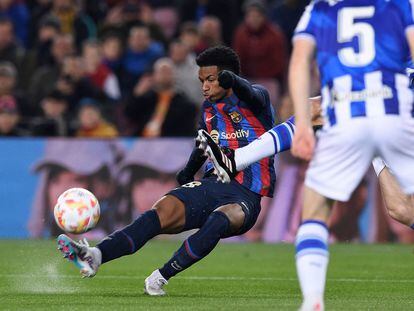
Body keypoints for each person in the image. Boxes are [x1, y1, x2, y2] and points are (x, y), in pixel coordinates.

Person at [56, 46, 276, 296]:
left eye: (211, 80)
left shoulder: (257, 100)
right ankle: (95, 256)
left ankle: (161, 276)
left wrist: (234, 81)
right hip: (212, 184)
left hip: (246, 194)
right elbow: (203, 143)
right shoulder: (207, 109)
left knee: (219, 219)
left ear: (226, 78)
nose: (204, 86)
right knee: (159, 212)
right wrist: (188, 171)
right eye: (201, 81)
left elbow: (252, 94)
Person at [289, 1, 414, 310]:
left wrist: (304, 125)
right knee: (402, 210)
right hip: (396, 112)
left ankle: (313, 300)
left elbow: (299, 63)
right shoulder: (399, 4)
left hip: (346, 117)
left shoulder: (318, 9)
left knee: (315, 209)